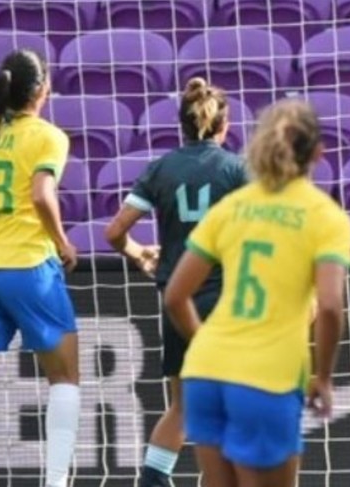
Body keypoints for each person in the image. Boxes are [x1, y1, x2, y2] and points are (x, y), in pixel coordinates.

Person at [165, 100, 350, 487]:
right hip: (265, 377)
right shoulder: (325, 216)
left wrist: (211, 345)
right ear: (319, 152)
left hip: (206, 371)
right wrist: (325, 377)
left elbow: (174, 296)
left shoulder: (231, 207)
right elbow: (331, 307)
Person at [104, 78, 249, 487]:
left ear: (181, 126)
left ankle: (153, 478)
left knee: (182, 406)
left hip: (175, 299)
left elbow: (114, 232)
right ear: (225, 126)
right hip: (224, 300)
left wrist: (137, 254)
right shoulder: (238, 170)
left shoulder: (160, 169)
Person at [0, 49, 80, 487]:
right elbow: (41, 195)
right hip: (29, 269)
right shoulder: (47, 136)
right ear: (42, 90)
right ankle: (55, 482)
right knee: (65, 377)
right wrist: (62, 241)